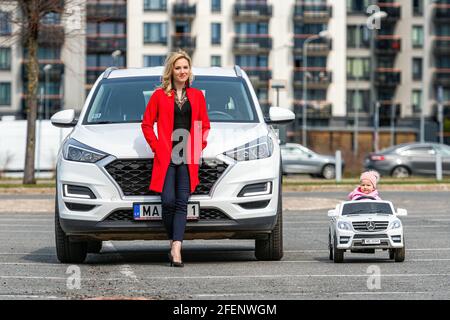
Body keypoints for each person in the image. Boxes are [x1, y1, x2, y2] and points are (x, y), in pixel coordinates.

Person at [141, 50, 210, 267]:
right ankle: (173, 242)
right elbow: (146, 124)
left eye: (185, 67)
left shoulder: (197, 95)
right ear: (171, 70)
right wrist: (156, 146)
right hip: (166, 154)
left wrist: (198, 147)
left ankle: (176, 248)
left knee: (182, 201)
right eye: (178, 67)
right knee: (168, 201)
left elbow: (204, 126)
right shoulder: (160, 95)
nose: (182, 71)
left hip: (188, 155)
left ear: (190, 71)